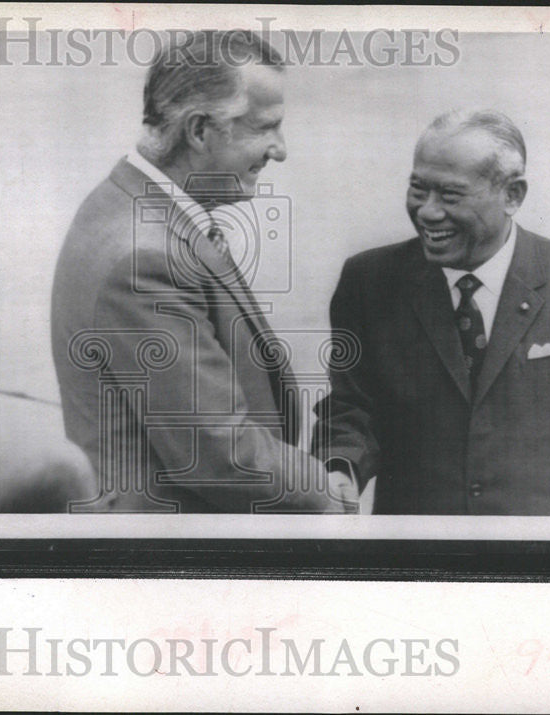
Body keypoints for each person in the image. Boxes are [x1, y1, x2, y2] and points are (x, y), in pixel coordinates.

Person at [51, 30, 356, 513]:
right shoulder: (145, 257)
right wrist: (325, 492)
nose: (280, 149)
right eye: (264, 127)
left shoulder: (133, 206)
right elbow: (219, 457)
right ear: (198, 130)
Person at [313, 109, 550, 515]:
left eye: (450, 195)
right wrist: (339, 469)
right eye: (418, 189)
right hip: (419, 559)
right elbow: (351, 407)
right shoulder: (367, 280)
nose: (427, 211)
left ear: (513, 195)